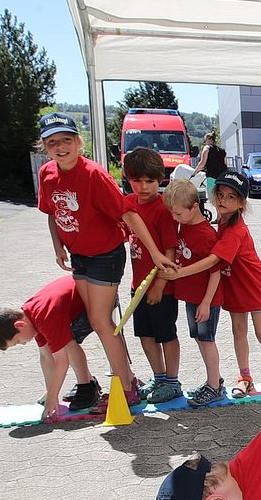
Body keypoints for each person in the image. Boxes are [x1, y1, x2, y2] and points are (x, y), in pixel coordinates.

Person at [35, 112, 175, 410]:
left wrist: (155, 253)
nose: (60, 147)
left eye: (66, 140)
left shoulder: (94, 174)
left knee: (101, 321)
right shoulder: (47, 173)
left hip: (105, 255)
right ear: (45, 146)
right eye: (52, 142)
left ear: (78, 142)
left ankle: (126, 388)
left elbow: (128, 213)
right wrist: (58, 246)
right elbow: (52, 212)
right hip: (79, 256)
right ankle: (126, 379)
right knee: (97, 320)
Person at [159, 172, 261, 399]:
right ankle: (245, 377)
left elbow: (213, 261)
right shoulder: (221, 221)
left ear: (241, 203)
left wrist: (177, 274)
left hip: (253, 284)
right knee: (239, 331)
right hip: (234, 285)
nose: (223, 200)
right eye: (220, 194)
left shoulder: (236, 231)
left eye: (230, 197)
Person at [0, 276, 101, 421]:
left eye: (18, 341)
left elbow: (62, 361)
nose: (23, 343)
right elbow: (46, 355)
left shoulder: (44, 317)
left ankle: (87, 387)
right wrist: (51, 392)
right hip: (87, 296)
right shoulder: (31, 317)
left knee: (67, 341)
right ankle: (88, 383)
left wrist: (53, 396)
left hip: (100, 297)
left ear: (19, 325)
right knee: (63, 340)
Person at [121, 148, 182, 403]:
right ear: (128, 179)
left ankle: (173, 381)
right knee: (145, 336)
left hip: (161, 288)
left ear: (160, 180)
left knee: (166, 335)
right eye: (137, 180)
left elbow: (170, 252)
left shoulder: (163, 209)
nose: (144, 187)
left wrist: (159, 286)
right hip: (138, 287)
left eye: (150, 181)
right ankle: (159, 378)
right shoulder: (128, 203)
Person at [161, 179, 225, 407]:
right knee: (199, 338)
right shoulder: (185, 225)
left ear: (195, 207)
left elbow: (215, 272)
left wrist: (206, 303)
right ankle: (213, 380)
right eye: (172, 213)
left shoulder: (206, 235)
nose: (174, 218)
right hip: (191, 297)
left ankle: (214, 386)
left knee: (207, 340)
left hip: (205, 299)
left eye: (178, 213)